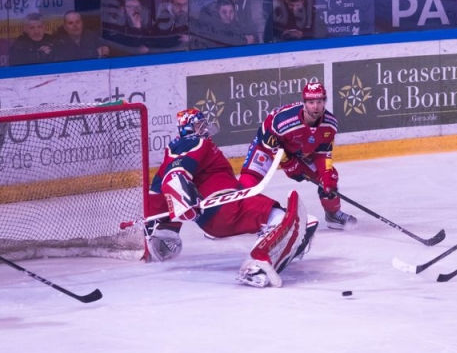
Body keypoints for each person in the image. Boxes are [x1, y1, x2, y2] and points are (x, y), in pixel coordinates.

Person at [147, 109, 318, 288]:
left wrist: (164, 229)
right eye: (199, 124)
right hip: (227, 206)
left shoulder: (171, 152)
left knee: (287, 218)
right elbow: (176, 175)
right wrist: (182, 197)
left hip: (217, 217)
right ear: (187, 128)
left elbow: (158, 190)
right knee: (283, 219)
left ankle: (282, 245)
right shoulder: (195, 142)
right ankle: (256, 265)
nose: (204, 128)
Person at [239, 82, 357, 230]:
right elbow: (268, 141)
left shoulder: (330, 124)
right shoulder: (285, 120)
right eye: (311, 102)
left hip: (298, 150)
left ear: (324, 102)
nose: (315, 106)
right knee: (248, 181)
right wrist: (288, 164)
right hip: (267, 147)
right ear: (304, 103)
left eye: (319, 102)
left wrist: (326, 178)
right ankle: (235, 218)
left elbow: (323, 155)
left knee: (329, 177)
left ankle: (333, 214)